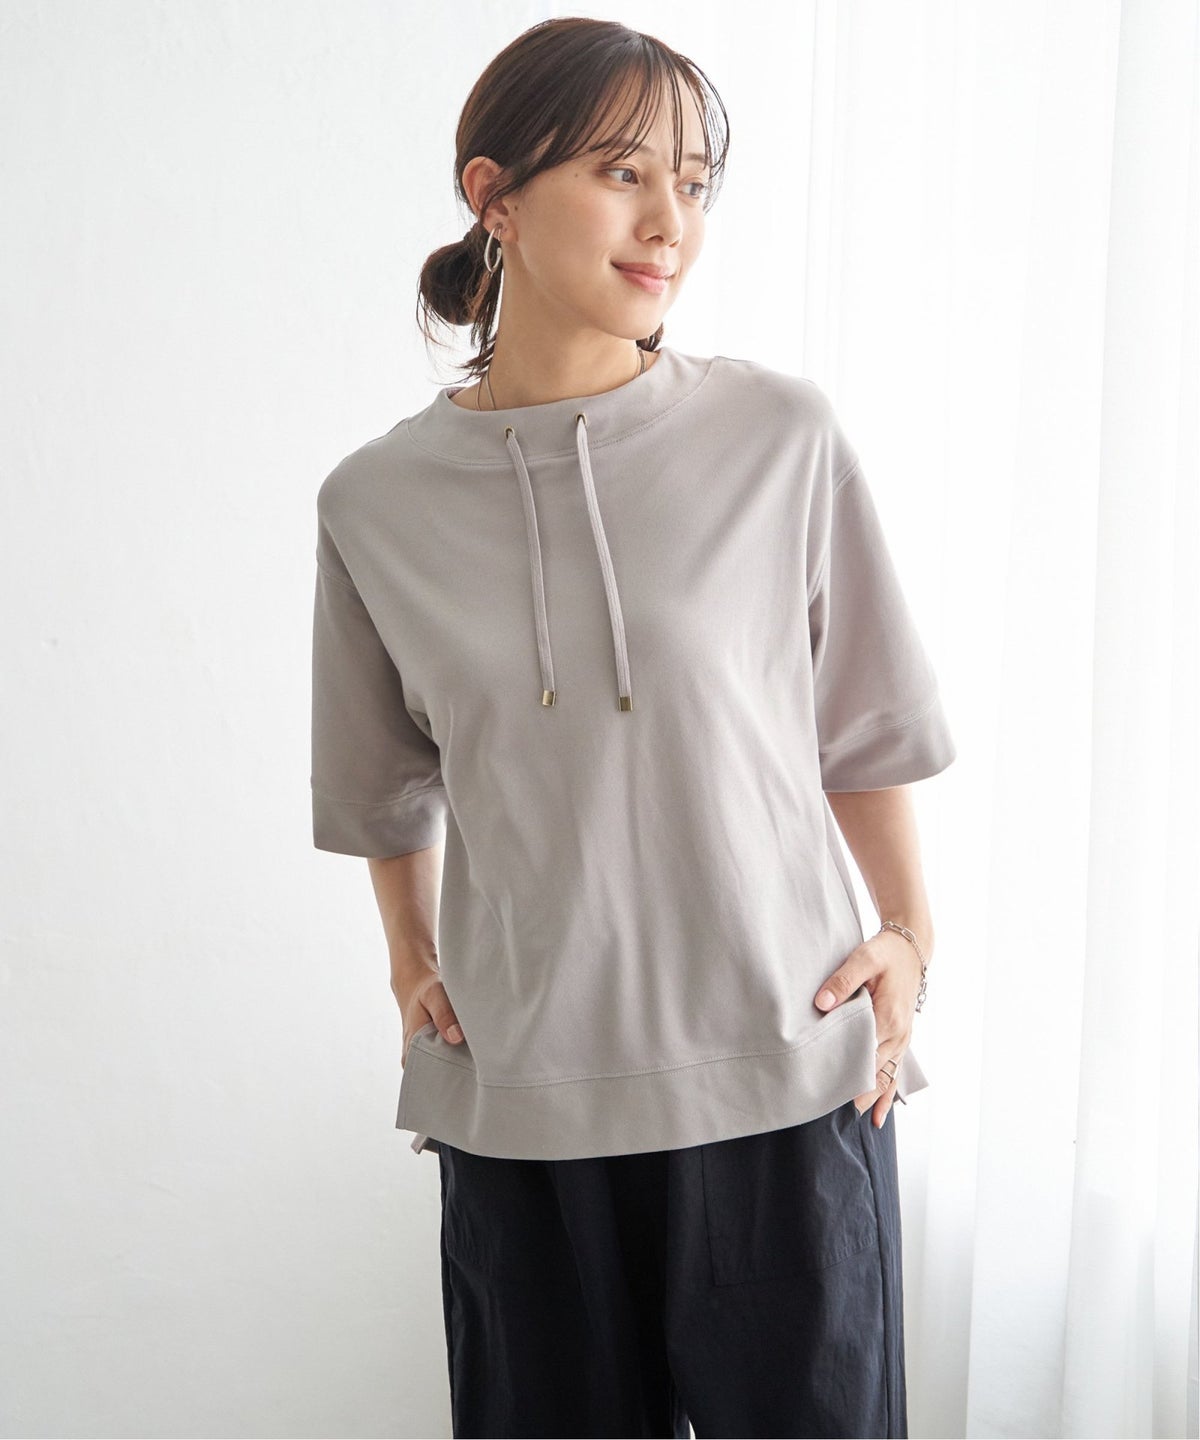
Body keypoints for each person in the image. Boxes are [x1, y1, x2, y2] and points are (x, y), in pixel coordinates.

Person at [310, 16, 957, 1439]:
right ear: (493, 195)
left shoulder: (780, 437)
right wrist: (413, 964)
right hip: (522, 1115)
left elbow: (865, 725)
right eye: (622, 173)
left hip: (787, 1079)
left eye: (695, 182)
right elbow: (378, 789)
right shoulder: (373, 505)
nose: (672, 222)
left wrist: (910, 937)